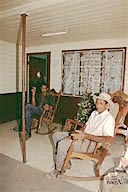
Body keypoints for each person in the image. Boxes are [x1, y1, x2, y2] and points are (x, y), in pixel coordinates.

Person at [46, 92, 115, 178]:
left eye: (101, 103)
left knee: (62, 144)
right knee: (56, 136)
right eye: (97, 102)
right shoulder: (94, 113)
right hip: (83, 137)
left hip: (91, 144)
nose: (97, 105)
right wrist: (74, 135)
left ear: (107, 105)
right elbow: (85, 127)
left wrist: (85, 136)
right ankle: (65, 162)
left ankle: (58, 170)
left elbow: (108, 139)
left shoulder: (109, 119)